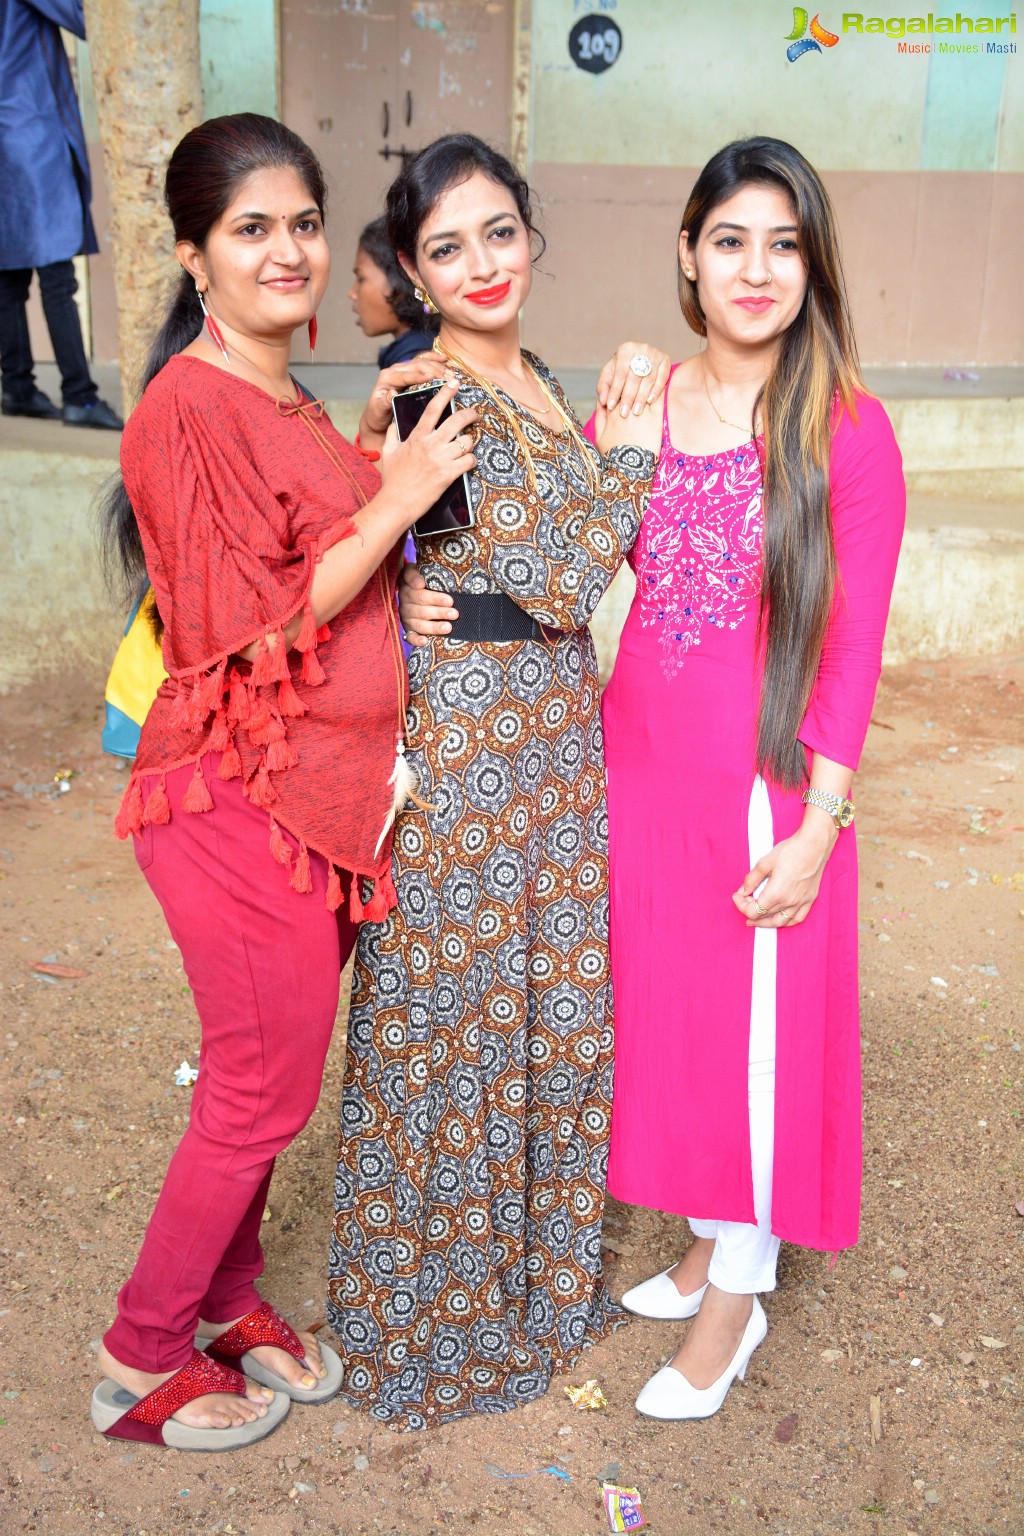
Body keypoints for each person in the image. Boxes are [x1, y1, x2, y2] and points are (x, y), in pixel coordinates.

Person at [401, 135, 906, 1423]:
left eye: (784, 245)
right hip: (633, 773)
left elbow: (851, 642)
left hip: (762, 786)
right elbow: (547, 545)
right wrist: (418, 579)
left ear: (812, 265)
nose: (756, 270)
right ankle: (704, 1240)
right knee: (673, 1026)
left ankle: (736, 1301)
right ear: (686, 254)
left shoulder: (845, 427)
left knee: (754, 1043)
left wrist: (821, 823)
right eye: (730, 240)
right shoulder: (639, 398)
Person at [92, 112, 478, 1452]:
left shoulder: (284, 391)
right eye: (252, 228)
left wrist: (373, 471)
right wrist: (404, 489)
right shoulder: (182, 410)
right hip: (229, 802)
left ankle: (233, 1298)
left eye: (304, 223)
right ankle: (139, 1353)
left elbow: (328, 559)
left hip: (312, 803)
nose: (289, 251)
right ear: (193, 254)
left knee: (272, 1082)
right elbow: (241, 627)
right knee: (260, 1092)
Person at [326, 132, 666, 1429]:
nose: (480, 264)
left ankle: (534, 1278)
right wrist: (629, 457)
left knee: (547, 1005)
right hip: (474, 757)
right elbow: (572, 575)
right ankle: (437, 1313)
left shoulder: (527, 374)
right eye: (446, 248)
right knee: (461, 1016)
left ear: (532, 233)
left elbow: (549, 568)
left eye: (498, 233)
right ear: (415, 273)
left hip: (555, 744)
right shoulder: (435, 398)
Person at [0, 0, 122, 427]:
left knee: (8, 278)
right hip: (29, 133)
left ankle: (17, 388)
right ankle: (80, 396)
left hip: (12, 135)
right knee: (56, 276)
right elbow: (93, 21)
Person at [348, 215, 437, 367]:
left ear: (401, 279)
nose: (352, 293)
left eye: (361, 279)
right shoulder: (410, 351)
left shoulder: (417, 366)